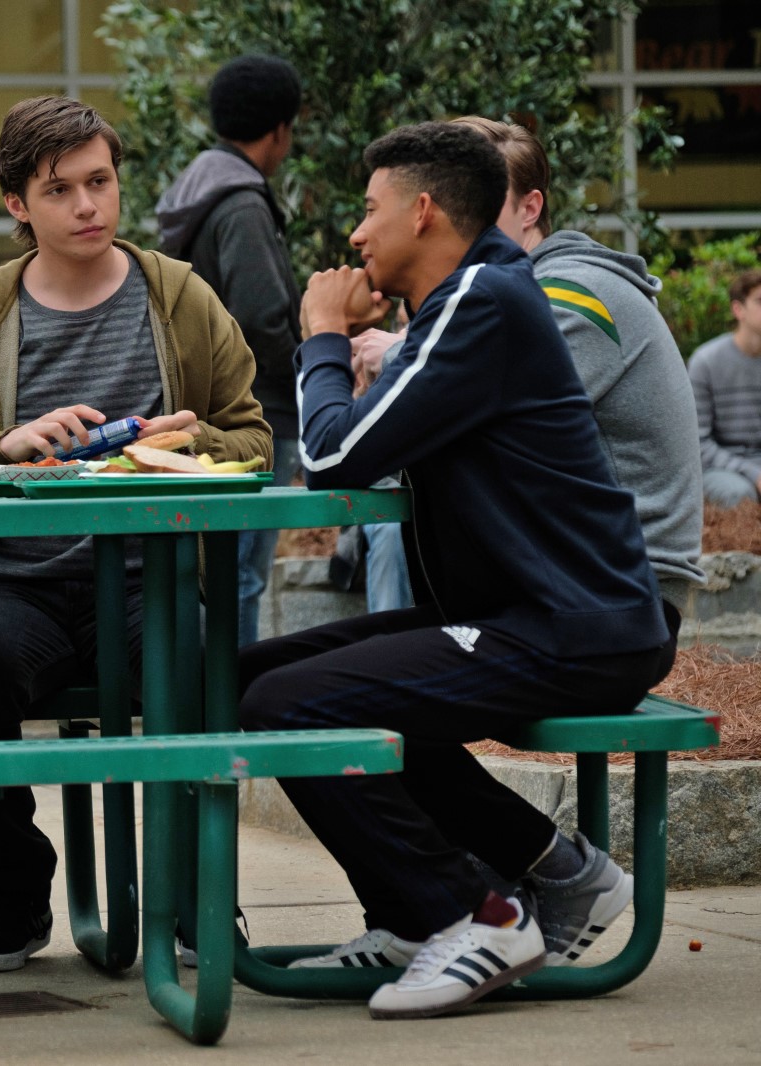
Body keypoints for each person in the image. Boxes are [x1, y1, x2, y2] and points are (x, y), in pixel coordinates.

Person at [241, 121, 675, 1020]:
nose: (356, 233)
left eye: (370, 210)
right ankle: (541, 880)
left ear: (424, 211)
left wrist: (322, 334)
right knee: (254, 679)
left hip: (575, 625)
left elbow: (333, 457)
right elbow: (365, 444)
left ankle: (473, 915)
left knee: (293, 704)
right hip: (519, 615)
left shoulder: (484, 299)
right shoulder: (466, 304)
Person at [0, 95, 271, 973]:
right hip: (20, 584)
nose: (88, 205)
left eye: (100, 181)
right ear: (17, 203)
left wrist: (191, 441)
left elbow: (254, 439)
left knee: (194, 668)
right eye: (60, 190)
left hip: (153, 577)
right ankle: (15, 886)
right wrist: (6, 444)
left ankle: (196, 888)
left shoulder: (178, 294)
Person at [451, 115, 705, 612]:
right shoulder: (526, 292)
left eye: (474, 201)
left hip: (618, 594)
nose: (454, 219)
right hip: (574, 579)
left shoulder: (571, 294)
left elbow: (460, 412)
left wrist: (381, 354)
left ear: (530, 208)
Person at [156, 55, 304, 645]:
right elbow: (262, 318)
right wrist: (309, 372)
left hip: (205, 408)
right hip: (257, 414)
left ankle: (211, 690)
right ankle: (231, 693)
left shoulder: (197, 191)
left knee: (218, 569)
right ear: (280, 130)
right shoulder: (241, 204)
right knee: (239, 573)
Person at [688, 268, 761, 508]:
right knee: (740, 497)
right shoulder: (705, 361)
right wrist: (754, 474)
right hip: (722, 468)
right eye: (760, 301)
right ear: (738, 309)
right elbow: (698, 443)